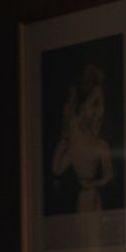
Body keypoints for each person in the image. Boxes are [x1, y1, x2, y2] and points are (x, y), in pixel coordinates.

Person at [50, 63, 114, 213]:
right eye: (96, 104)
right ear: (81, 108)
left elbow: (109, 175)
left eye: (102, 104)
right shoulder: (75, 142)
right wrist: (64, 139)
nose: (101, 112)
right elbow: (57, 169)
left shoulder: (101, 145)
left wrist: (95, 184)